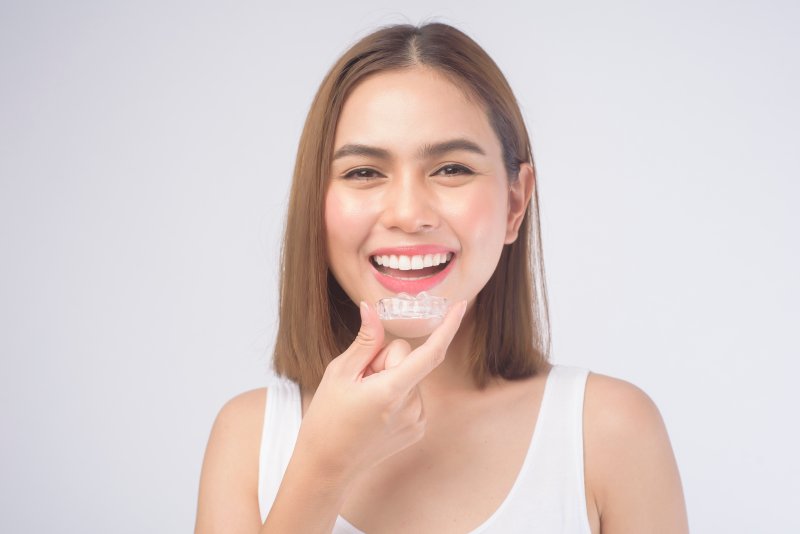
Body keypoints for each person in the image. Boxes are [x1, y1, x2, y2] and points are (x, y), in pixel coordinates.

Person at [194, 22, 688, 533]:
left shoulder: (610, 432)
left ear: (515, 203)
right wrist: (323, 468)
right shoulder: (249, 438)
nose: (409, 214)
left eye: (451, 169)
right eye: (364, 172)